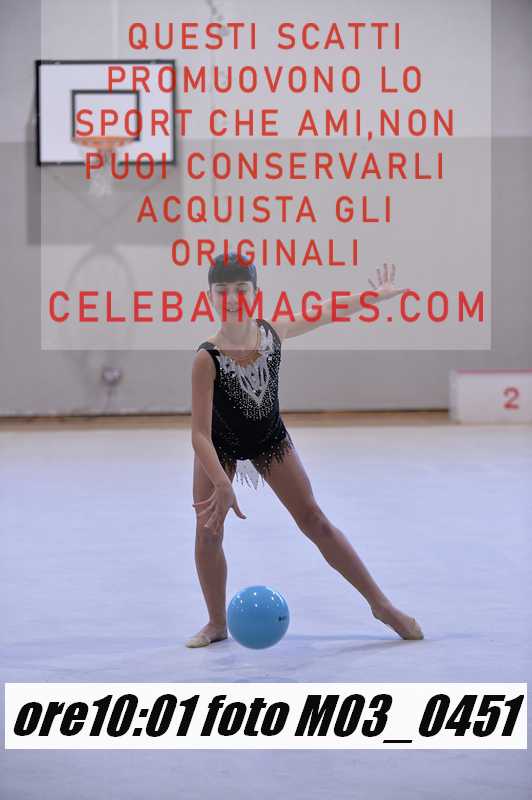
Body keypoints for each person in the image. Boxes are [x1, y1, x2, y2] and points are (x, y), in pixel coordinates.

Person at [187, 252, 424, 647]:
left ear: (255, 292)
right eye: (222, 290)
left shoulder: (271, 333)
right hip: (218, 445)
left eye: (241, 289)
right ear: (209, 296)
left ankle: (381, 605)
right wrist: (221, 483)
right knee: (207, 532)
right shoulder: (205, 358)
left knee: (314, 519)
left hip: (269, 439)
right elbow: (198, 434)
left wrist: (373, 296)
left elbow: (325, 311)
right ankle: (216, 623)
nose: (232, 298)